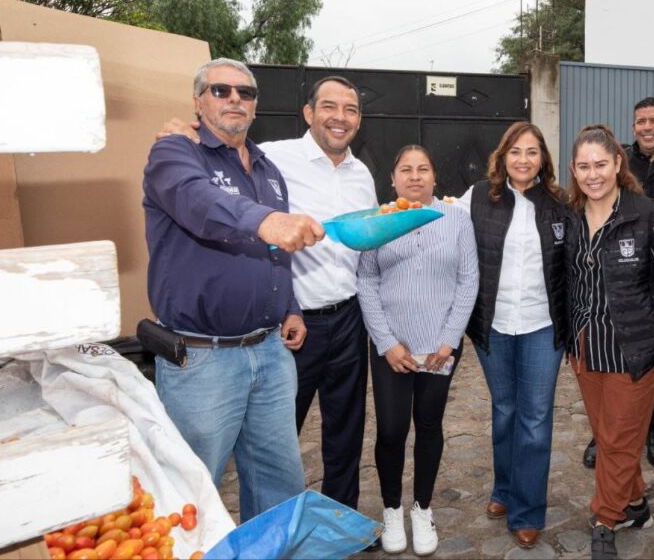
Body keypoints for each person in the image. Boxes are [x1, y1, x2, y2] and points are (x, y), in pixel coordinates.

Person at [158, 75, 377, 510]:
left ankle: (339, 519)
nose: (340, 117)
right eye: (329, 107)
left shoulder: (362, 174)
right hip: (293, 325)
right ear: (309, 113)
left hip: (347, 317)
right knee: (275, 441)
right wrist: (181, 132)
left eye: (350, 110)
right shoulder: (273, 158)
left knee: (345, 432)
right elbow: (212, 175)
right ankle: (255, 523)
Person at [142, 58, 323, 521]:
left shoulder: (267, 169)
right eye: (221, 90)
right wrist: (267, 221)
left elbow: (275, 250)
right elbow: (199, 203)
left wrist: (290, 306)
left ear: (256, 106)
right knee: (191, 491)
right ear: (198, 101)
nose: (235, 99)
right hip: (204, 358)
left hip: (270, 351)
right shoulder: (175, 152)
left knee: (279, 481)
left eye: (246, 92)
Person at [357, 145, 478, 556]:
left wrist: (449, 340)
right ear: (392, 179)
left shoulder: (456, 219)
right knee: (391, 430)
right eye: (405, 169)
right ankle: (392, 508)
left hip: (439, 349)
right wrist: (387, 343)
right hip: (392, 349)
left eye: (422, 169)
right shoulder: (380, 221)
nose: (414, 176)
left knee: (429, 425)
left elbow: (468, 280)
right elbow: (366, 281)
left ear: (434, 176)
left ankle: (422, 508)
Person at [564, 124, 654, 560]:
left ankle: (605, 519)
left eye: (600, 165)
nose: (592, 175)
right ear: (574, 170)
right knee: (610, 436)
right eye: (583, 167)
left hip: (634, 349)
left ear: (617, 164)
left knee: (616, 441)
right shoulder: (570, 218)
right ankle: (634, 503)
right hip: (586, 347)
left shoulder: (646, 214)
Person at [457, 121, 567, 550]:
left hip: (542, 325)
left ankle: (527, 510)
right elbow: (444, 236)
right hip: (495, 324)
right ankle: (504, 488)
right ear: (502, 157)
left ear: (543, 159)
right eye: (515, 151)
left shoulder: (559, 203)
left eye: (532, 152)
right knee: (505, 410)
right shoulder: (475, 197)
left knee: (534, 418)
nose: (523, 159)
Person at [581, 96, 654, 473]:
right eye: (641, 121)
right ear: (633, 127)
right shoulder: (619, 160)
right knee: (606, 360)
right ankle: (602, 433)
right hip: (619, 273)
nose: (648, 127)